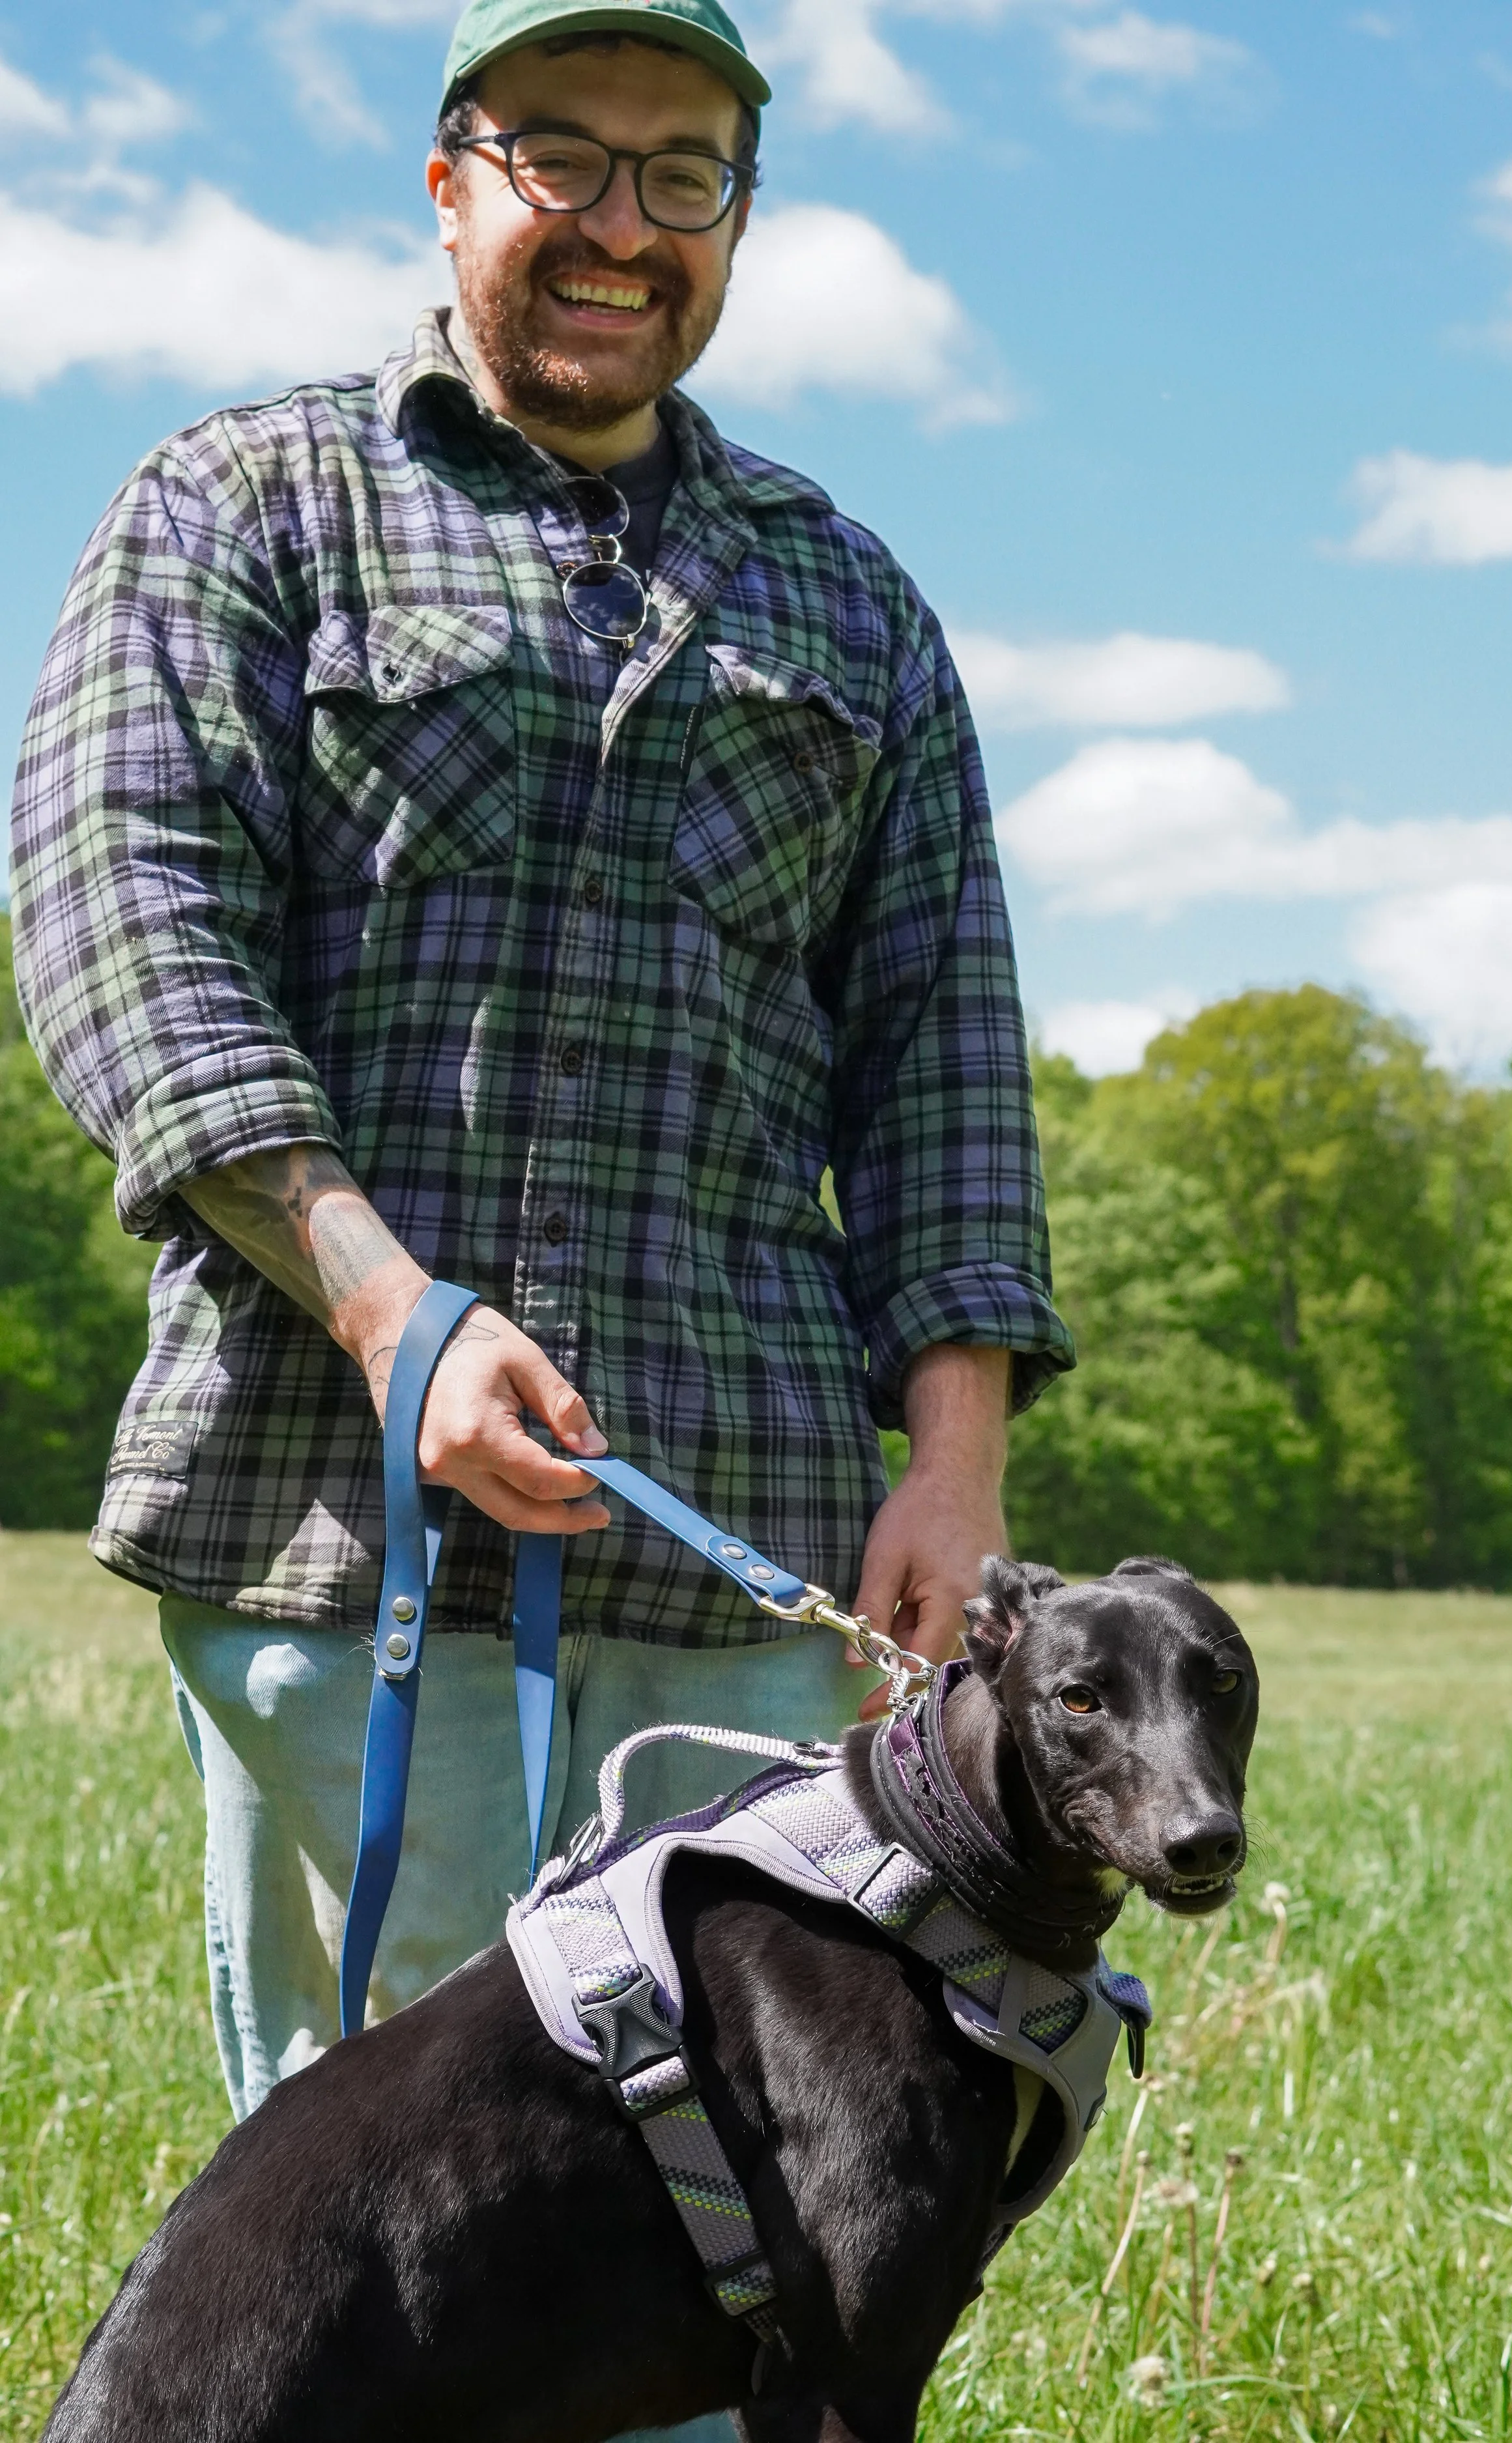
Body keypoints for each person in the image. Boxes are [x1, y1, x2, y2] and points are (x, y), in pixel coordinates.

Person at [10, 0, 1072, 2132]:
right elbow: (125, 931)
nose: (620, 223)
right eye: (559, 157)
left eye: (682, 173)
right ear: (450, 179)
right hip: (330, 1518)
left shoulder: (850, 604)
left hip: (744, 1565)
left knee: (727, 2190)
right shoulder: (244, 502)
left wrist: (951, 1468)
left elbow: (941, 1054)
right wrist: (393, 1311)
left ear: (738, 219)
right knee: (382, 2202)